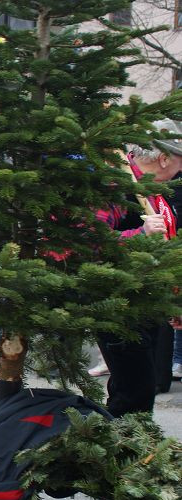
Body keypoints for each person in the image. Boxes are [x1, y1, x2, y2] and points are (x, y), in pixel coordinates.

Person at [94, 119, 181, 416]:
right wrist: (139, 235)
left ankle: (130, 451)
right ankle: (121, 452)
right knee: (133, 392)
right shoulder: (116, 184)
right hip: (117, 302)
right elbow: (89, 240)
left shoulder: (152, 189)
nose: (179, 172)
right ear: (163, 157)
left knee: (140, 390)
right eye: (178, 164)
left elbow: (166, 248)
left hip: (147, 303)